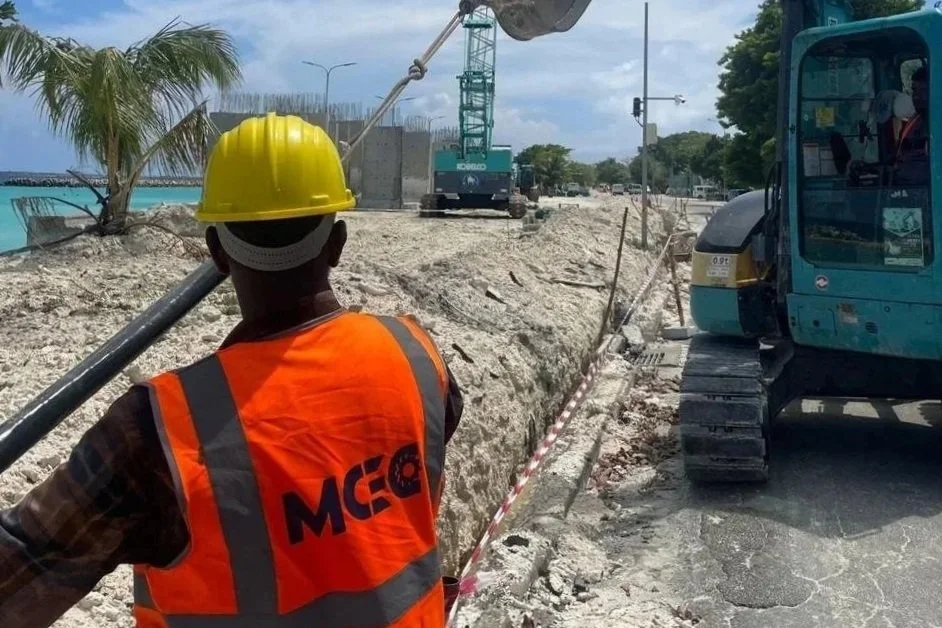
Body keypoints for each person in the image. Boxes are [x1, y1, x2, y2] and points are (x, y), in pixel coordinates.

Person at [0, 113, 464, 627]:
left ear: (217, 252)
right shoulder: (416, 356)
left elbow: (27, 568)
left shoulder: (156, 434)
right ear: (337, 244)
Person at [894, 65, 929, 185]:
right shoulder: (914, 120)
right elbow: (903, 153)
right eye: (914, 90)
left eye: (924, 90)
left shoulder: (936, 124)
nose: (917, 96)